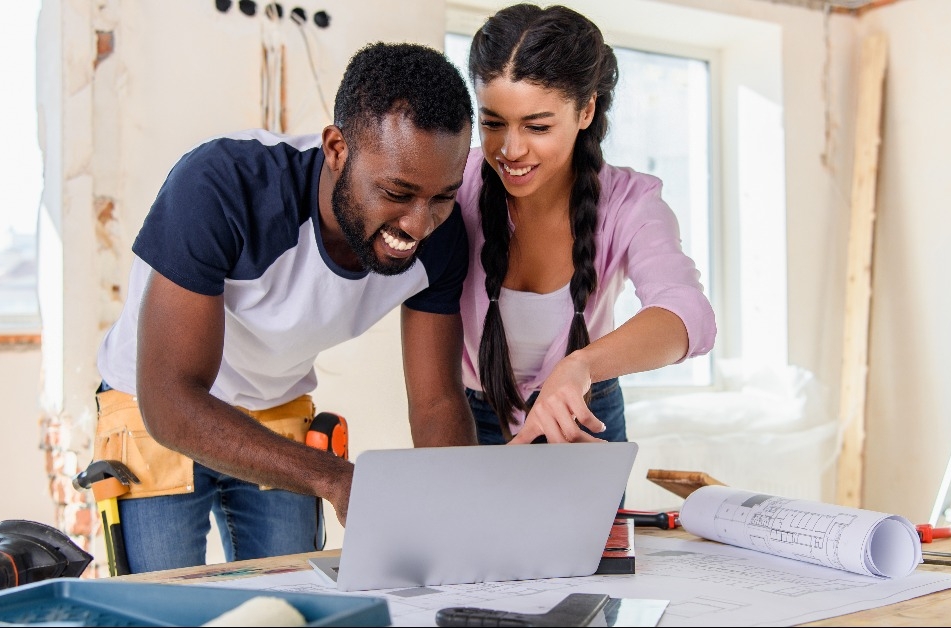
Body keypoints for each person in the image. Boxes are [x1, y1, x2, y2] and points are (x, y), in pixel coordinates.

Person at [91, 42, 477, 573]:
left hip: (275, 404)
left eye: (442, 197)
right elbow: (171, 399)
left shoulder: (443, 237)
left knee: (293, 605)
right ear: (337, 149)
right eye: (396, 192)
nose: (417, 225)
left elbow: (437, 405)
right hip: (153, 403)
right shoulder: (221, 187)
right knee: (166, 603)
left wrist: (461, 521)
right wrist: (335, 477)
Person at [458, 4, 717, 446]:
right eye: (492, 123)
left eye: (537, 125)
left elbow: (689, 316)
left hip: (584, 411)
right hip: (473, 413)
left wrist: (581, 366)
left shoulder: (631, 202)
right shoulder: (456, 184)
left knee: (604, 522)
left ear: (586, 111)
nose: (510, 149)